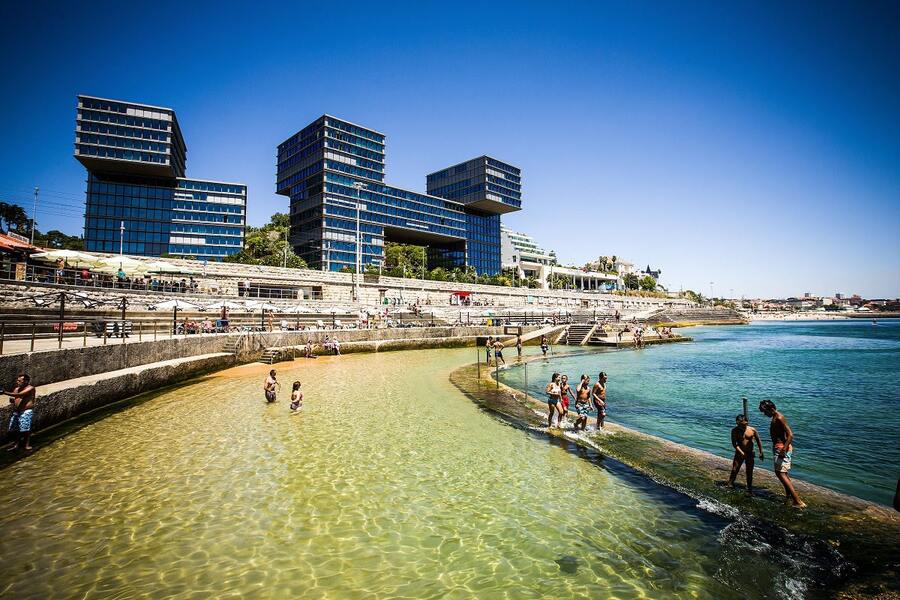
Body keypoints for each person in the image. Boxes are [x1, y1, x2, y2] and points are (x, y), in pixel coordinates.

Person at [759, 400, 806, 508]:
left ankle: (798, 501)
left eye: (764, 411)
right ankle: (789, 496)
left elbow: (790, 435)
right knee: (783, 473)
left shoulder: (779, 418)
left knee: (780, 473)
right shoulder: (775, 417)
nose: (764, 414)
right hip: (779, 448)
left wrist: (784, 449)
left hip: (781, 448)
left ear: (771, 409)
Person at [726, 414, 764, 493]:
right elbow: (734, 444)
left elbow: (758, 441)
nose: (741, 426)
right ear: (737, 423)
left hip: (750, 453)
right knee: (735, 469)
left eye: (743, 424)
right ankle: (730, 484)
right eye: (739, 424)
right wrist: (741, 452)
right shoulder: (735, 430)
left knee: (749, 471)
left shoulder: (752, 430)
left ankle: (749, 488)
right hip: (739, 452)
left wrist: (761, 452)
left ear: (746, 422)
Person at [5, 374, 36, 451]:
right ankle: (16, 445)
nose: (17, 382)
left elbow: (19, 395)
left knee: (25, 429)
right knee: (15, 429)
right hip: (17, 411)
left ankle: (26, 445)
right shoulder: (16, 389)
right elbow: (13, 398)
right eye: (17, 380)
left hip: (26, 411)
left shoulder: (31, 388)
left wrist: (4, 392)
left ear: (26, 381)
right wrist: (12, 399)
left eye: (19, 381)